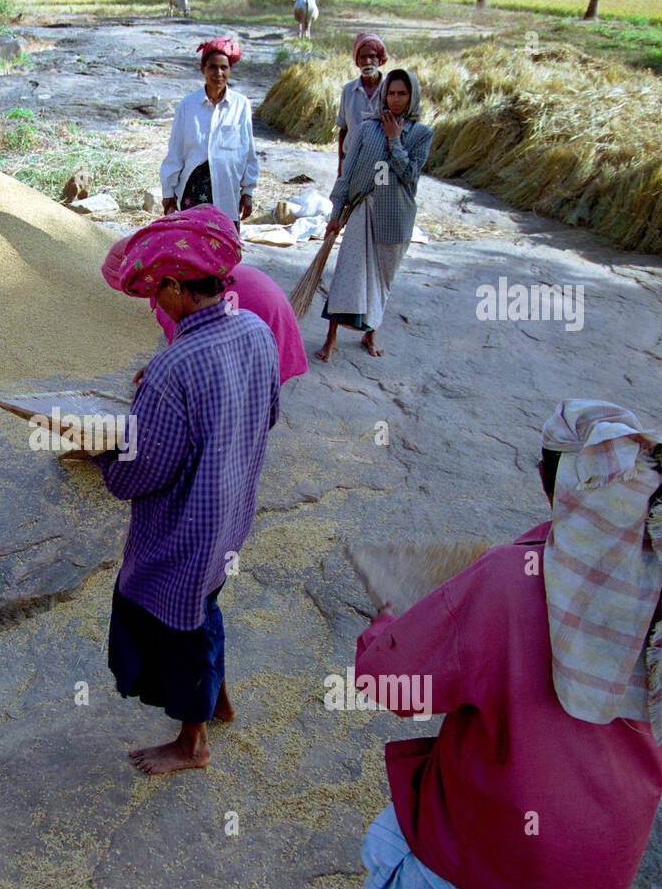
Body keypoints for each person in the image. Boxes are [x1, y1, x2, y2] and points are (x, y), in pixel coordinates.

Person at [354, 400, 662, 889]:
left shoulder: (510, 578)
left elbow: (388, 684)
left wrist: (388, 622)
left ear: (553, 486)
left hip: (479, 876)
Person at [94, 206, 279, 775]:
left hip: (180, 532)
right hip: (230, 515)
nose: (156, 304)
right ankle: (216, 697)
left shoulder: (174, 368)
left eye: (157, 292)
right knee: (206, 601)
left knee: (172, 624)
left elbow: (140, 472)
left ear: (177, 286)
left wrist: (102, 453)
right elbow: (267, 413)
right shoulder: (254, 329)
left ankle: (191, 742)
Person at [315, 69, 432, 362]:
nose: (395, 99)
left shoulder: (421, 134)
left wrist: (394, 141)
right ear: (384, 94)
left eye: (402, 94)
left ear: (412, 96)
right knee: (346, 274)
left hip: (396, 217)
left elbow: (409, 175)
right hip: (363, 209)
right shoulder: (367, 128)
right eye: (391, 93)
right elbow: (348, 171)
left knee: (382, 281)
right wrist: (336, 211)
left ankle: (371, 334)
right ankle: (331, 339)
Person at [103, 235, 307, 386]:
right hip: (265, 300)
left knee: (247, 393)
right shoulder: (181, 278)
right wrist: (163, 368)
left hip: (261, 307)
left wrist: (165, 371)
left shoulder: (173, 300)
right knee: (253, 397)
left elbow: (191, 354)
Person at [159, 37, 258, 232]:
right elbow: (176, 151)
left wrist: (248, 191)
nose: (218, 73)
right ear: (202, 68)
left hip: (227, 192)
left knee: (224, 249)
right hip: (193, 191)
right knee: (190, 247)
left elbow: (248, 152)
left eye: (224, 67)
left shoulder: (241, 105)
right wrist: (168, 192)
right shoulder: (187, 105)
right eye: (212, 67)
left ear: (230, 70)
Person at [337, 33, 388, 178]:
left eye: (372, 56)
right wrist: (341, 167)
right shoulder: (348, 90)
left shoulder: (391, 89)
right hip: (352, 160)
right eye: (362, 57)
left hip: (381, 162)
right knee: (350, 199)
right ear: (357, 62)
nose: (367, 61)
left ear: (380, 59)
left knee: (381, 198)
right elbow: (343, 130)